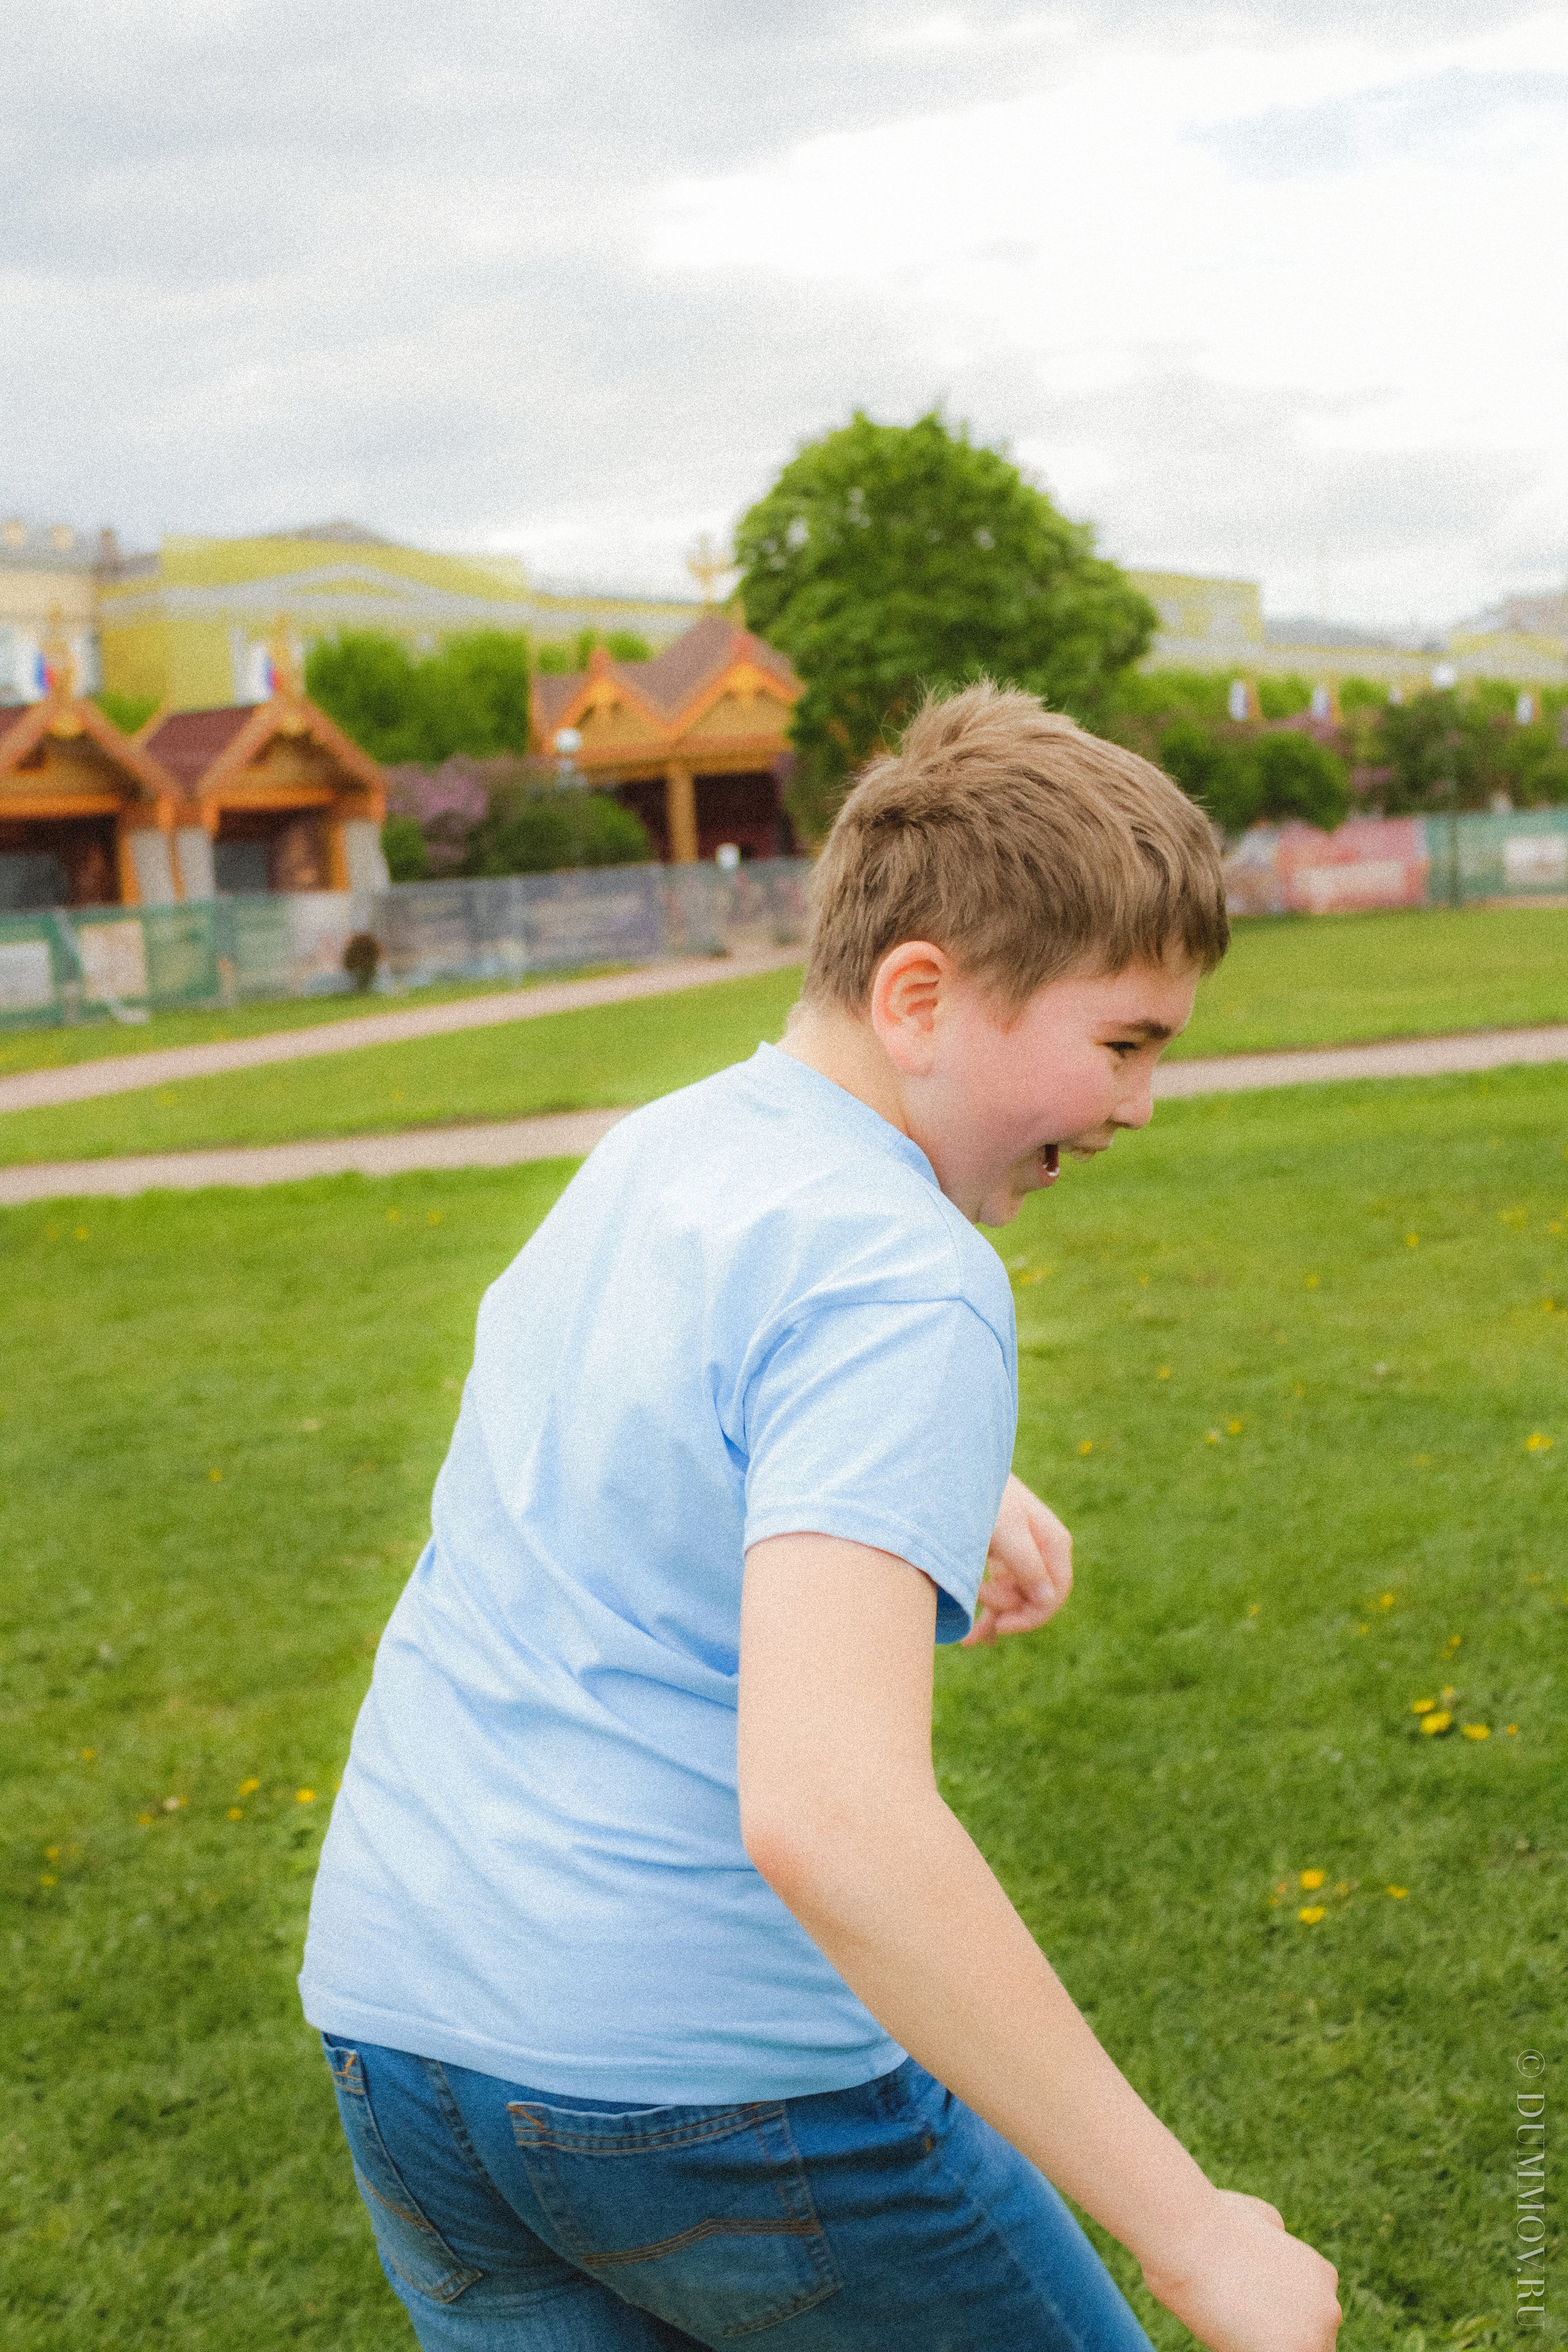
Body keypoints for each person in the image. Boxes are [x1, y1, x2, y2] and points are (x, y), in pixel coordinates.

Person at [300, 684, 1341, 2352]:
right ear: (919, 994)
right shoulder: (909, 1277)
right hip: (702, 2087)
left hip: (406, 2029)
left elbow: (632, 1423)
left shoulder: (664, 1156)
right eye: (1125, 1042)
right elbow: (829, 1815)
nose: (1141, 1104)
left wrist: (933, 1481)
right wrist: (1195, 2229)